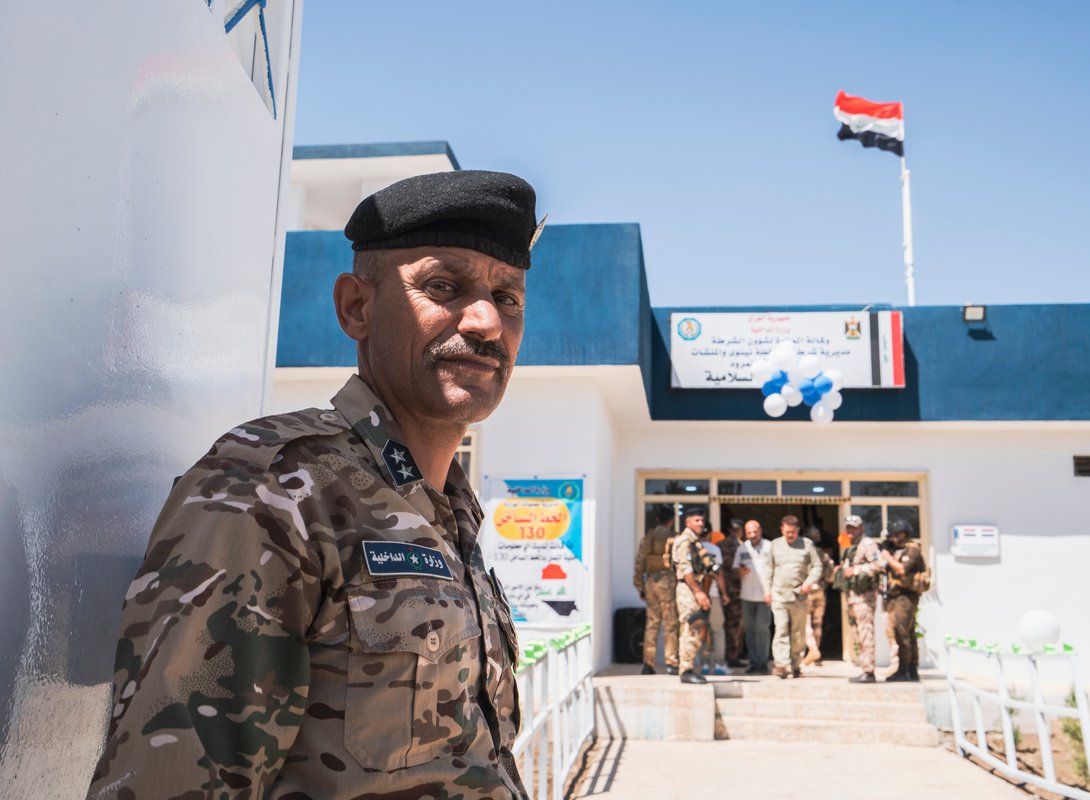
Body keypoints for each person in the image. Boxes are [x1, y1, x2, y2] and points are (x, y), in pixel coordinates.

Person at [87, 171, 538, 799]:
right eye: (444, 286)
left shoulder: (450, 513)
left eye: (508, 297)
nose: (488, 320)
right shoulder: (270, 490)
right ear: (357, 306)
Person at [762, 515, 824, 679]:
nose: (790, 535)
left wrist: (809, 582)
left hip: (799, 597)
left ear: (798, 531)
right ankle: (781, 665)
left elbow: (817, 566)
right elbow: (768, 569)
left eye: (793, 532)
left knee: (798, 633)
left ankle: (796, 664)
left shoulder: (807, 545)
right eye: (787, 532)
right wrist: (767, 591)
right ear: (782, 529)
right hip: (779, 596)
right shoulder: (775, 545)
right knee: (781, 629)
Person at [834, 514, 888, 683]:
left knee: (866, 633)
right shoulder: (852, 547)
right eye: (848, 528)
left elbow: (881, 564)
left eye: (854, 528)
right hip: (853, 596)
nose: (850, 531)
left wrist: (856, 570)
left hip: (865, 597)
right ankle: (865, 667)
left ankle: (869, 671)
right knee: (859, 634)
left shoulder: (867, 544)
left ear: (861, 528)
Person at [633, 507, 679, 675]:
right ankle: (671, 662)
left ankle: (648, 663)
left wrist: (640, 586)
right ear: (671, 520)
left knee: (652, 625)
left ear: (658, 519)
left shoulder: (647, 538)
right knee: (671, 624)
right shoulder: (674, 538)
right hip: (668, 583)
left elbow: (639, 564)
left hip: (651, 583)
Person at [881, 519, 926, 682]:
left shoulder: (912, 550)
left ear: (905, 534)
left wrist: (887, 556)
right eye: (892, 535)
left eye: (897, 534)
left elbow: (901, 570)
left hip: (906, 596)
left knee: (901, 632)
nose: (894, 538)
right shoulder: (898, 550)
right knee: (908, 632)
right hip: (896, 595)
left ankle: (904, 670)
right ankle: (912, 670)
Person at [671, 506, 712, 685]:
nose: (701, 523)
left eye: (702, 520)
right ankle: (686, 671)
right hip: (688, 589)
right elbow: (686, 570)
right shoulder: (685, 541)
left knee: (695, 627)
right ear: (687, 522)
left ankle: (689, 668)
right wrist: (698, 592)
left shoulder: (695, 540)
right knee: (690, 628)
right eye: (697, 520)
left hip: (692, 587)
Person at [734, 520, 772, 675]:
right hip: (747, 595)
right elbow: (735, 569)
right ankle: (754, 662)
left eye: (755, 531)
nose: (752, 534)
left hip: (765, 595)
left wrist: (771, 591)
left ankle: (763, 662)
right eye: (749, 532)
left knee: (762, 629)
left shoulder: (770, 546)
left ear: (760, 530)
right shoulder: (742, 548)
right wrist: (740, 573)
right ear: (745, 532)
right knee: (750, 630)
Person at [801, 526, 837, 666]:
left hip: (807, 591)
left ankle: (813, 650)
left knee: (806, 622)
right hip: (821, 591)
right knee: (817, 623)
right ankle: (815, 653)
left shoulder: (802, 552)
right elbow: (831, 575)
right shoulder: (822, 554)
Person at [698, 527, 730, 675]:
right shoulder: (714, 549)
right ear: (710, 534)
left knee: (700, 630)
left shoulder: (692, 548)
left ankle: (702, 665)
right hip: (712, 594)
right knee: (718, 630)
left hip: (696, 595)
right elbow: (719, 574)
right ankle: (719, 664)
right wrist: (724, 593)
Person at [718, 519, 747, 667]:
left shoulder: (720, 546)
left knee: (722, 624)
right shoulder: (743, 547)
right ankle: (732, 655)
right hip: (737, 590)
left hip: (722, 590)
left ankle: (723, 654)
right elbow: (745, 569)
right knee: (735, 625)